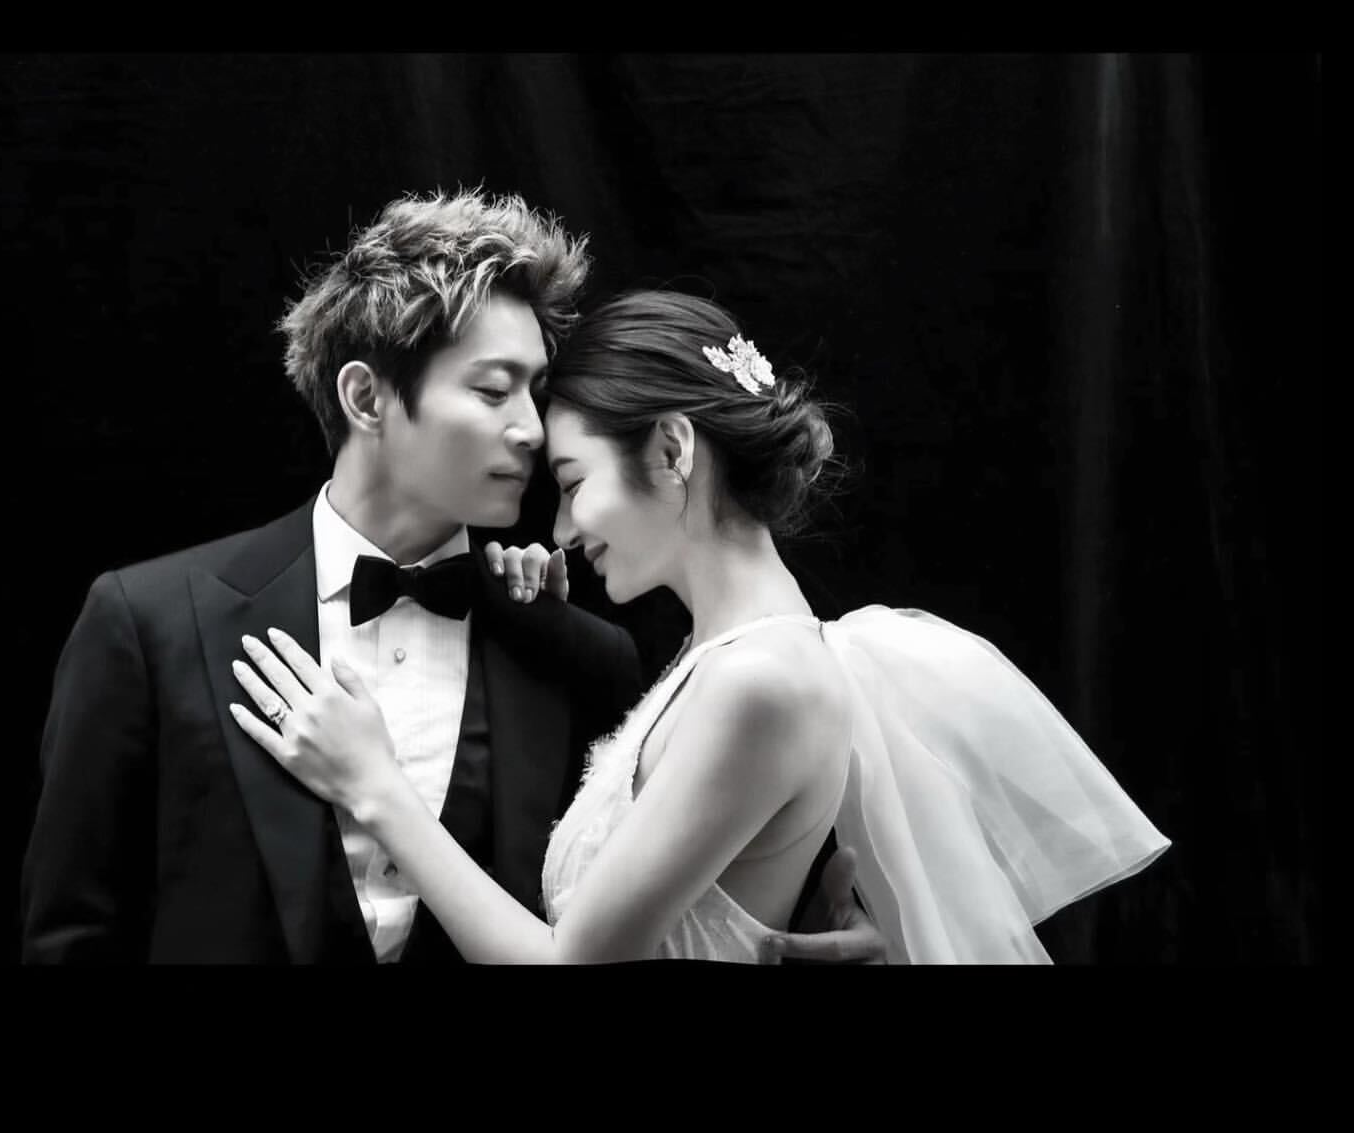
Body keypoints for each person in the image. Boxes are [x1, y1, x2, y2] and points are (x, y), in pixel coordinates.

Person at [23, 191, 881, 964]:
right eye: (495, 390)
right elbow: (72, 934)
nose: (534, 430)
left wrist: (821, 923)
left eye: (536, 392)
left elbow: (712, 866)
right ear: (366, 399)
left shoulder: (580, 650)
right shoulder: (148, 621)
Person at [230, 290, 1172, 963]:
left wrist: (376, 786)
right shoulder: (724, 659)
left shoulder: (762, 681)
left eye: (572, 483)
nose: (561, 528)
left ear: (672, 449)